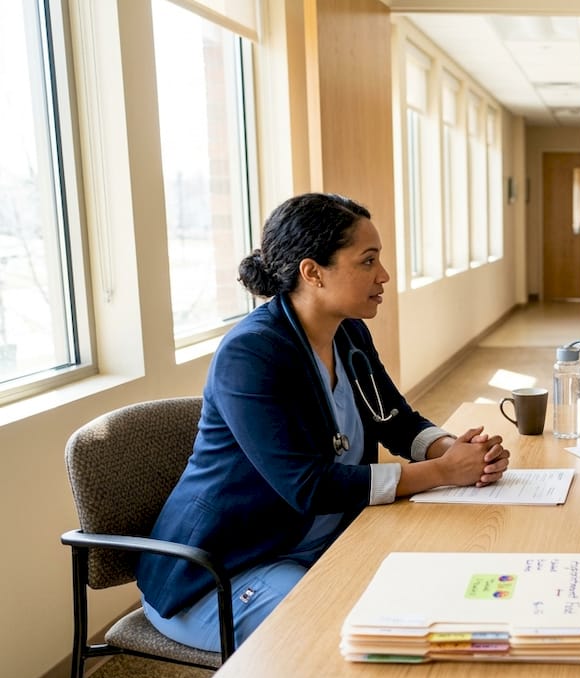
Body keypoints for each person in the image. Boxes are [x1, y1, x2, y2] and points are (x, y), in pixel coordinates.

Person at [137, 193, 510, 650]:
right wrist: (440, 473)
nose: (384, 276)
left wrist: (450, 449)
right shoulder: (251, 355)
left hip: (317, 546)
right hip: (223, 571)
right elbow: (307, 486)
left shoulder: (349, 331)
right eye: (368, 261)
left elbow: (394, 420)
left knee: (441, 588)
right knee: (354, 632)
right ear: (312, 272)